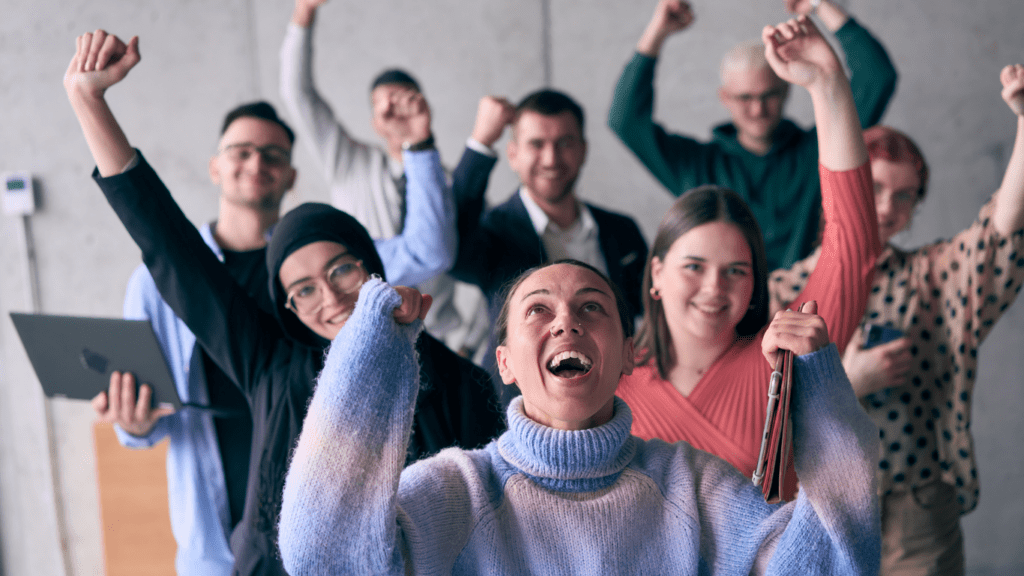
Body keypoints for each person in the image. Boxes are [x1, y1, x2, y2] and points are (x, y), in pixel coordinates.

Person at [65, 30, 504, 576]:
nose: (331, 297)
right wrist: (89, 101)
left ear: (374, 267)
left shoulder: (449, 375)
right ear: (288, 309)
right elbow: (165, 240)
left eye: (342, 268)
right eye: (303, 291)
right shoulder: (271, 365)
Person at [277, 259, 881, 574]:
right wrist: (372, 354)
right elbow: (327, 559)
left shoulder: (691, 486)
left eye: (592, 308)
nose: (566, 322)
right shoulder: (460, 489)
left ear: (625, 359)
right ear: (506, 363)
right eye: (538, 310)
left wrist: (821, 392)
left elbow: (831, 565)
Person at [768, 65, 1024, 575]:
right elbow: (755, 422)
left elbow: (998, 237)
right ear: (839, 188)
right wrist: (851, 381)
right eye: (875, 188)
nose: (885, 208)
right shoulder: (782, 290)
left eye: (904, 195)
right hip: (815, 506)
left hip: (914, 503)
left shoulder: (931, 276)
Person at [614, 14, 881, 501]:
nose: (715, 287)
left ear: (756, 282)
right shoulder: (610, 374)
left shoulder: (783, 362)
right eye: (694, 266)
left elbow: (853, 247)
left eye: (736, 270)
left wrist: (827, 82)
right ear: (657, 271)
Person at [90, 101, 292, 575]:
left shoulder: (310, 275)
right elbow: (143, 425)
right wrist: (133, 422)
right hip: (214, 547)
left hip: (314, 533)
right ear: (215, 167)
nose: (256, 163)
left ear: (290, 175)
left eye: (272, 155)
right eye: (241, 151)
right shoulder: (155, 282)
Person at [608, 0, 897, 270]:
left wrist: (821, 5)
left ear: (787, 89)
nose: (758, 110)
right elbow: (626, 122)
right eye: (744, 98)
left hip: (811, 308)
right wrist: (657, 31)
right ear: (725, 97)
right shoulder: (697, 166)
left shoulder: (820, 149)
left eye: (768, 95)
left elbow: (876, 77)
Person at [280, 0, 479, 353]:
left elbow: (482, 266)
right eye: (382, 105)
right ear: (373, 122)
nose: (393, 110)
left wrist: (471, 343)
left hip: (440, 340)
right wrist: (303, 14)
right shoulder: (349, 161)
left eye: (402, 100)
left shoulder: (448, 181)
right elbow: (300, 97)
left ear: (424, 108)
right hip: (364, 332)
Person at [450, 90, 649, 402]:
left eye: (565, 143)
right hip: (516, 411)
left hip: (616, 406)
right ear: (513, 154)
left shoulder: (620, 230)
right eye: (536, 144)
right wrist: (481, 141)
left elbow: (646, 311)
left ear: (583, 150)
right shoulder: (495, 231)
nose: (551, 158)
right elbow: (451, 250)